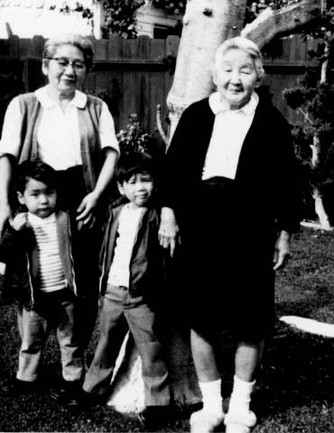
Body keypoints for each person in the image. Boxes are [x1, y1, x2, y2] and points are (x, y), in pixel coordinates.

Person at [159, 36, 300, 433]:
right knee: (200, 318)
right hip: (199, 227)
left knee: (249, 320)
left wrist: (284, 232)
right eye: (227, 70)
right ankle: (210, 407)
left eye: (245, 70)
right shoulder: (196, 116)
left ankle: (240, 406)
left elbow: (288, 184)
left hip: (250, 229)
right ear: (214, 74)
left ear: (258, 75)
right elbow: (172, 171)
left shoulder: (271, 122)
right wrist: (169, 215)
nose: (235, 79)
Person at [0, 33, 120, 388]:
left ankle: (74, 363)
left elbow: (111, 153)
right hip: (36, 201)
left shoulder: (95, 107)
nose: (70, 70)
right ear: (46, 65)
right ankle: (29, 365)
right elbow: (6, 156)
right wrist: (5, 203)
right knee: (33, 279)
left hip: (80, 201)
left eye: (78, 64)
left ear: (86, 69)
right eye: (62, 62)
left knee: (79, 284)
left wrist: (97, 195)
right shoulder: (24, 104)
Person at [81, 153, 170, 429]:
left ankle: (157, 404)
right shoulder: (116, 214)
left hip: (142, 296)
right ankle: (91, 390)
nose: (140, 187)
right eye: (132, 182)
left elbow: (167, 259)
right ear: (121, 188)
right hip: (113, 292)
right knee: (106, 342)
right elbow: (107, 250)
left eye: (147, 180)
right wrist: (103, 284)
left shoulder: (158, 217)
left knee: (151, 349)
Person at [0, 160, 84, 399]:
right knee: (31, 339)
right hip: (36, 297)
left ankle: (73, 378)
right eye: (35, 194)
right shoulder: (20, 223)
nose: (44, 200)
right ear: (21, 197)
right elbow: (4, 252)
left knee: (69, 338)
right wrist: (13, 231)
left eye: (49, 193)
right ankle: (26, 377)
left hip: (65, 292)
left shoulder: (65, 219)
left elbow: (80, 250)